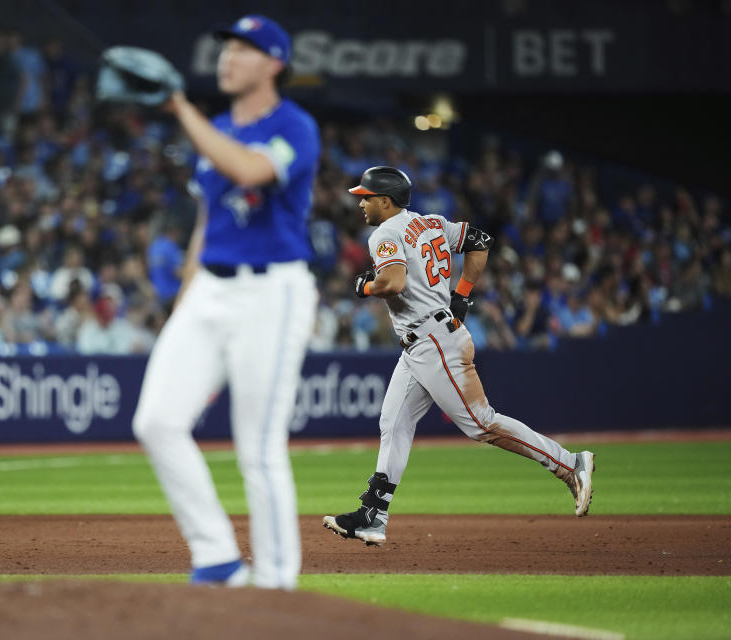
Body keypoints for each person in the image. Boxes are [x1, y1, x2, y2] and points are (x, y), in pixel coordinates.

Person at [132, 15, 320, 589]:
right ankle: (216, 556)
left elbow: (248, 169)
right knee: (157, 421)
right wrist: (184, 303)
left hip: (273, 290)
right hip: (212, 285)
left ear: (274, 64)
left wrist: (178, 108)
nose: (228, 57)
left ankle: (278, 585)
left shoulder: (295, 126)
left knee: (258, 448)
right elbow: (207, 224)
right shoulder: (212, 127)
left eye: (243, 48)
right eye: (226, 47)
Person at [322, 166, 595, 547]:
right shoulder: (432, 222)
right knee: (394, 422)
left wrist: (364, 285)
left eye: (366, 197)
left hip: (433, 342)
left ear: (385, 201)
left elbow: (393, 283)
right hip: (424, 340)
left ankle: (569, 463)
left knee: (481, 424)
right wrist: (462, 294)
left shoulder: (384, 233)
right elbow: (480, 240)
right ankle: (373, 515)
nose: (361, 203)